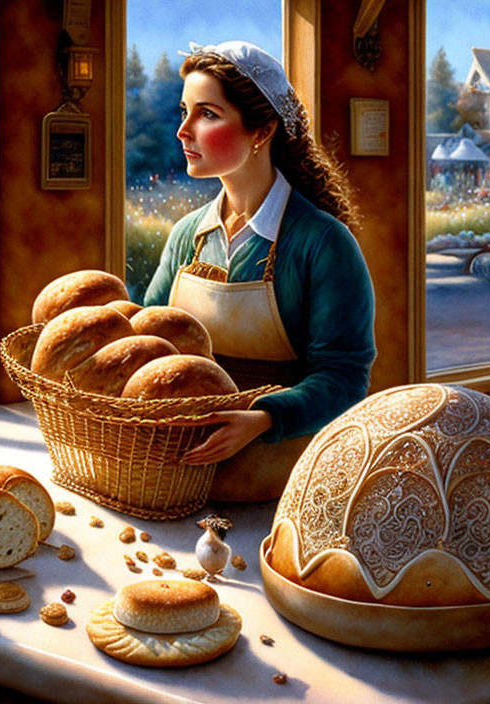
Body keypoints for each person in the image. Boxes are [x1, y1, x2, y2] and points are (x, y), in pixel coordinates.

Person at [143, 41, 376, 501]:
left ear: (261, 131)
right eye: (184, 111)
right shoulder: (187, 235)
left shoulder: (322, 243)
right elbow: (148, 339)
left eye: (207, 114)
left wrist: (265, 417)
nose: (183, 131)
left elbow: (345, 377)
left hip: (280, 477)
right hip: (174, 475)